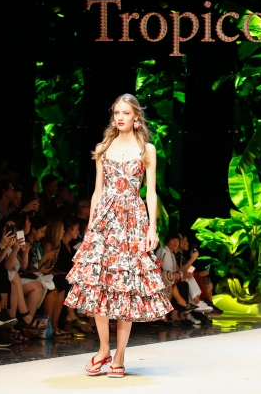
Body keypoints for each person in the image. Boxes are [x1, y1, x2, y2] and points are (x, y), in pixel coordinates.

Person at [64, 93, 173, 377]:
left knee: (127, 286)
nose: (120, 117)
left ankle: (120, 356)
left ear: (136, 116)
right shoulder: (104, 147)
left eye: (126, 113)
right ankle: (103, 350)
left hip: (132, 219)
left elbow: (151, 192)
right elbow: (97, 191)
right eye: (116, 113)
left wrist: (152, 227)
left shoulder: (147, 149)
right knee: (99, 281)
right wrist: (90, 226)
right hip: (105, 220)